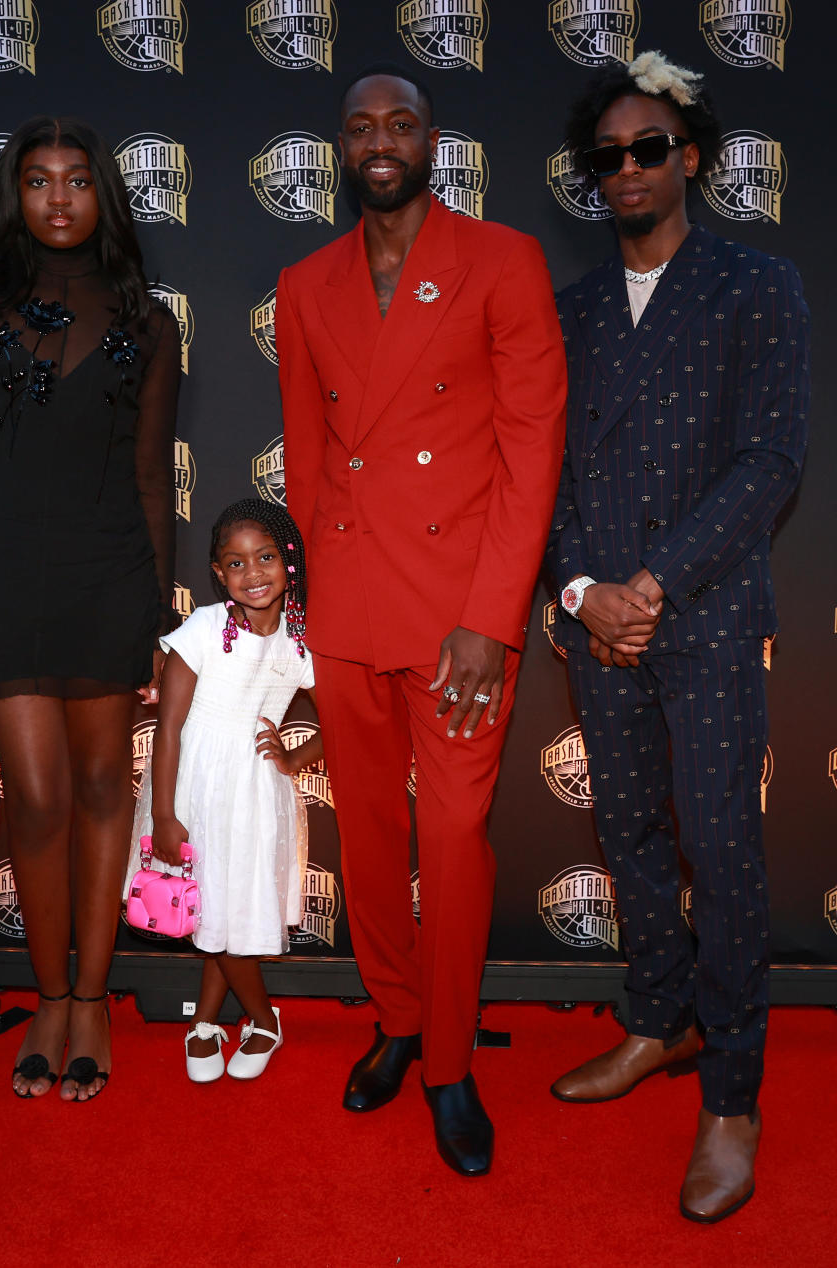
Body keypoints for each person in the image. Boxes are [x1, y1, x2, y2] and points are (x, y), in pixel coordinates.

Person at [275, 63, 567, 1176]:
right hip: (348, 607)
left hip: (458, 616)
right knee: (369, 832)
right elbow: (307, 456)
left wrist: (490, 620)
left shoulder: (502, 260)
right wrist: (313, 601)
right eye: (360, 127)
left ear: (432, 142)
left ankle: (448, 1059)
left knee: (450, 842)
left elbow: (531, 453)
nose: (380, 139)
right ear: (340, 149)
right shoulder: (306, 283)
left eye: (401, 122)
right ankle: (396, 1018)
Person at [546, 52, 810, 1221]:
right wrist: (582, 592)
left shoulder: (758, 287)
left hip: (702, 622)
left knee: (723, 850)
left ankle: (734, 1095)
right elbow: (539, 471)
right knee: (632, 837)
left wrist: (648, 583)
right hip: (600, 629)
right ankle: (654, 1020)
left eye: (649, 147)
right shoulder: (573, 309)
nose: (628, 170)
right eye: (608, 156)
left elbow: (771, 464)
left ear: (690, 156)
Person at [0, 116, 181, 1101]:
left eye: (77, 180)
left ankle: (94, 998)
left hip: (110, 580)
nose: (59, 197)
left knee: (108, 783)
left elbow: (153, 478)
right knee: (35, 796)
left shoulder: (150, 323)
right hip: (3, 583)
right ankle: (48, 995)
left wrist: (159, 620)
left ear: (102, 195)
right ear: (14, 195)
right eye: (39, 180)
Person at [127, 498, 320, 1081]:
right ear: (217, 573)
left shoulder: (306, 642)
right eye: (235, 563)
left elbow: (346, 718)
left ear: (288, 562)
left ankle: (220, 1020)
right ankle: (256, 1018)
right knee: (212, 905)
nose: (252, 573)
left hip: (257, 796)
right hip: (192, 787)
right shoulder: (206, 627)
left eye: (265, 557)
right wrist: (163, 814)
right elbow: (168, 728)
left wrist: (293, 758)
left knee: (230, 908)